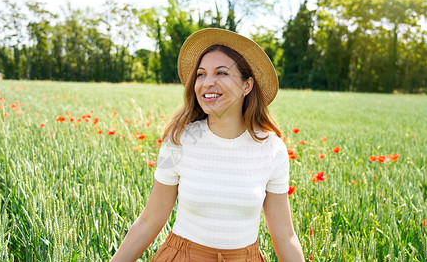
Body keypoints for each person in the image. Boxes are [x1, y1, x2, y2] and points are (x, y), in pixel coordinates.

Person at [110, 28, 304, 261]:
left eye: (221, 73)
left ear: (247, 85)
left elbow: (284, 236)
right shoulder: (177, 140)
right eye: (201, 74)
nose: (207, 82)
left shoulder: (272, 149)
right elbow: (149, 221)